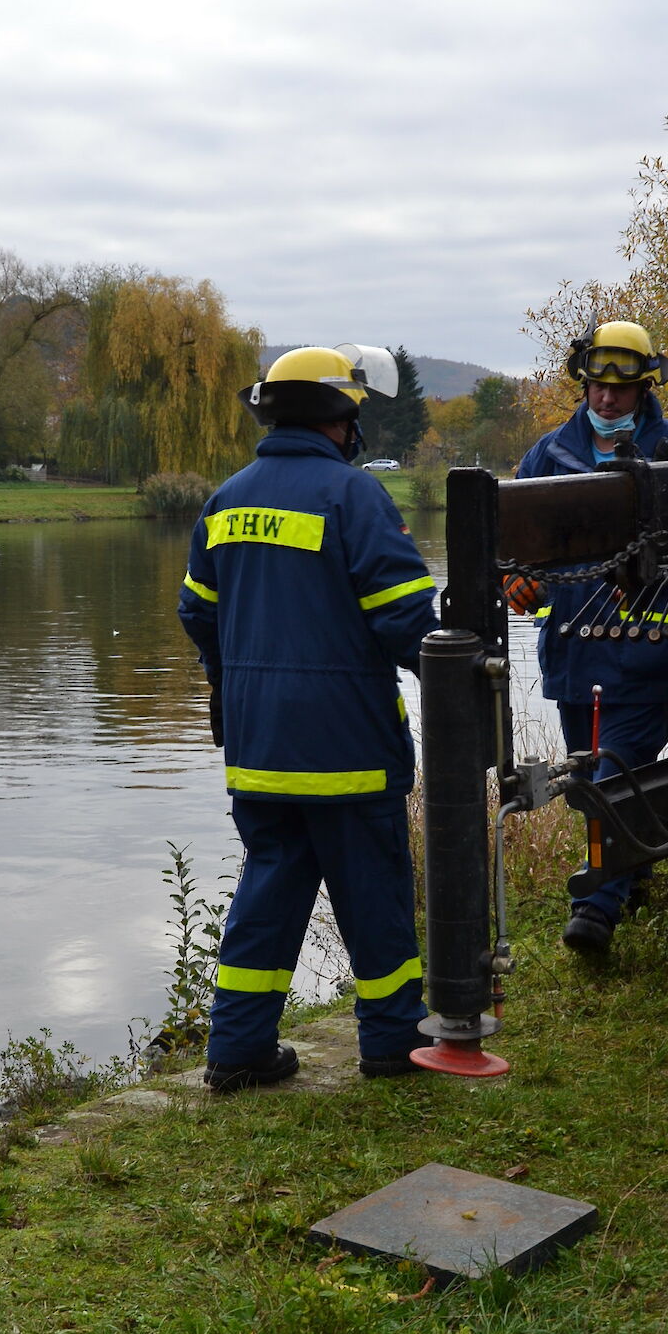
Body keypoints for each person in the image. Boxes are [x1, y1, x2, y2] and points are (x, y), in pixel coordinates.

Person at [178, 344, 438, 1092]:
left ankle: (236, 1051)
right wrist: (459, 666)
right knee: (375, 898)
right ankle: (391, 1045)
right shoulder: (354, 497)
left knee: (268, 892)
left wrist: (233, 687)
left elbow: (197, 611)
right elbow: (404, 622)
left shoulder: (226, 499)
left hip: (259, 750)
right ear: (342, 418)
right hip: (348, 748)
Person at [510, 319, 668, 956]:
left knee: (614, 775)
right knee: (589, 783)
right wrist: (515, 580)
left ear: (645, 387)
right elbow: (515, 543)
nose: (607, 401)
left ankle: (594, 911)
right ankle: (637, 873)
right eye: (598, 388)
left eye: (620, 391)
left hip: (649, 653)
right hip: (575, 654)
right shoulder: (547, 456)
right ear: (585, 384)